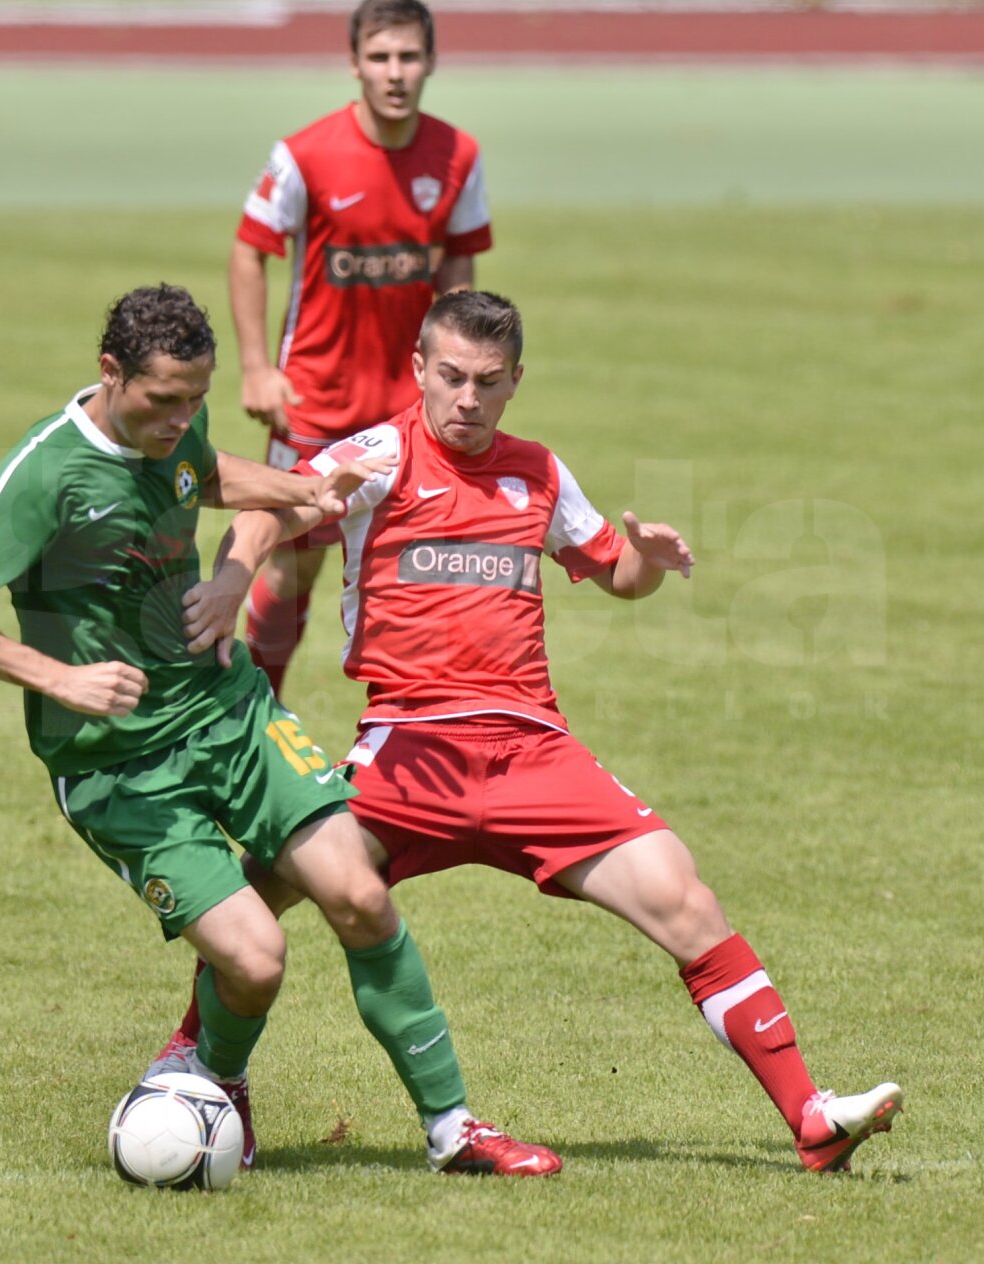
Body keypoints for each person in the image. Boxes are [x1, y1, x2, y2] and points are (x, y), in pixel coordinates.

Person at [164, 290, 905, 1175]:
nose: (467, 399)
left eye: (487, 381)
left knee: (683, 896)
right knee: (263, 894)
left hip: (532, 750)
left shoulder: (540, 473)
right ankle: (201, 1074)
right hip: (410, 749)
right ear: (418, 372)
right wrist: (233, 580)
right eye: (450, 378)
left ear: (516, 380)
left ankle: (813, 1119)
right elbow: (270, 509)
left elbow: (614, 573)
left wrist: (650, 562)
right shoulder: (380, 456)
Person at [0, 283, 561, 1180]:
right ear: (110, 373)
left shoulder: (177, 431)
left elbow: (205, 477)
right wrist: (59, 677)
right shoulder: (46, 474)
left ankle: (454, 1131)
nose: (181, 418)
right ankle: (210, 1078)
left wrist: (306, 490)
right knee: (257, 959)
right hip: (119, 767)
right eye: (162, 400)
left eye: (194, 399)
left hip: (228, 711)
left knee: (360, 894)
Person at [232, 0, 492, 698]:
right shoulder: (305, 154)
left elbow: (460, 267)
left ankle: (408, 733)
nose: (395, 73)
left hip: (410, 411)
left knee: (421, 574)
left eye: (409, 57)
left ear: (431, 62)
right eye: (380, 58)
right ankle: (259, 723)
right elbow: (250, 251)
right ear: (354, 64)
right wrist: (258, 368)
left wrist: (455, 376)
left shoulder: (458, 155)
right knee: (292, 572)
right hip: (316, 401)